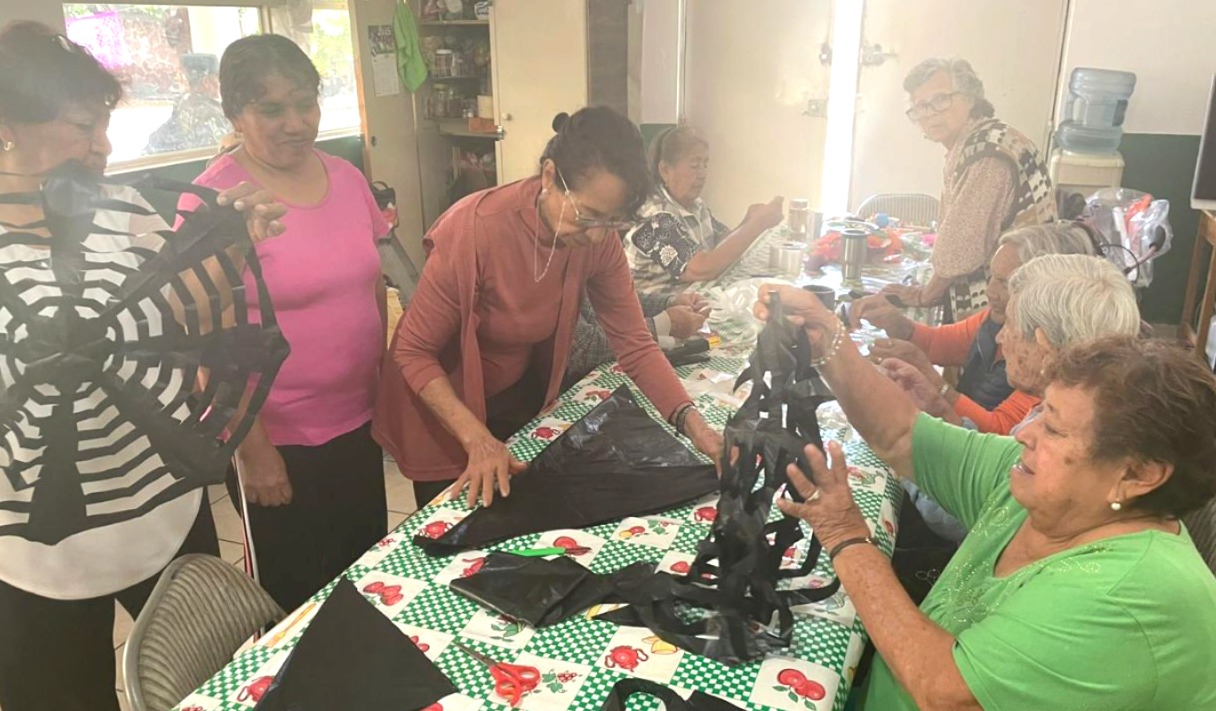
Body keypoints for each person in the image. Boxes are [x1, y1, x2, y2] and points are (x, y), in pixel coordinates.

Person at [755, 284, 1216, 710]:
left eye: (1054, 428)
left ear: (1137, 474)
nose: (1026, 434)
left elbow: (947, 693)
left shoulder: (1127, 598)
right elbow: (902, 434)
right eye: (1040, 412)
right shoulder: (1047, 488)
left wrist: (847, 537)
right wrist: (826, 338)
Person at [0, 22, 285, 711]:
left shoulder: (122, 211)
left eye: (104, 125)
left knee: (212, 683)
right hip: (31, 551)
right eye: (82, 127)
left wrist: (231, 246)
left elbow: (181, 320)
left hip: (161, 504)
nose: (103, 146)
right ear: (7, 129)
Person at [373, 108, 724, 509]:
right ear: (548, 176)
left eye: (612, 222)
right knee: (458, 524)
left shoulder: (594, 240)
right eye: (588, 216)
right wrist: (478, 439)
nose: (597, 236)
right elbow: (413, 351)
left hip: (509, 395)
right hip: (442, 404)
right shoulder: (476, 231)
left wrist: (697, 428)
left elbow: (636, 343)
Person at [181, 34, 391, 611]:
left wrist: (384, 383)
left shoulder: (346, 177)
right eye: (272, 109)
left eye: (306, 103)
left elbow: (371, 283)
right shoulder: (216, 199)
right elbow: (205, 338)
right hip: (276, 436)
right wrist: (253, 449)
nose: (296, 123)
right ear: (235, 114)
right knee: (293, 598)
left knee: (366, 577)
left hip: (358, 420)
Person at [851, 222, 1096, 434]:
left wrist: (933, 383)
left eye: (1005, 283)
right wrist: (896, 323)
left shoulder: (1051, 363)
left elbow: (1000, 434)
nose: (990, 291)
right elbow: (937, 344)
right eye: (991, 277)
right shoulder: (995, 319)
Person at [884, 58, 1056, 320]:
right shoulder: (980, 140)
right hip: (1011, 297)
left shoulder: (986, 154)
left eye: (940, 99)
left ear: (970, 98)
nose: (930, 113)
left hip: (1012, 308)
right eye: (920, 106)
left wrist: (924, 295)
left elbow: (959, 252)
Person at [625, 124, 784, 297]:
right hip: (660, 309)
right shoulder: (655, 219)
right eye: (694, 166)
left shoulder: (696, 205)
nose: (702, 174)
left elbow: (721, 246)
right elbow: (702, 269)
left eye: (705, 165)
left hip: (692, 299)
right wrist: (758, 224)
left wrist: (748, 220)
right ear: (665, 171)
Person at [563, 290, 710, 390]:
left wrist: (669, 303)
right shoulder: (556, 268)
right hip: (566, 389)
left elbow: (617, 295)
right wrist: (662, 324)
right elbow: (584, 349)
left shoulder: (590, 257)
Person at [144, 52, 228, 155]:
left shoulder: (182, 103)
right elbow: (222, 154)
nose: (220, 84)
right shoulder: (211, 114)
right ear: (206, 82)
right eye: (218, 79)